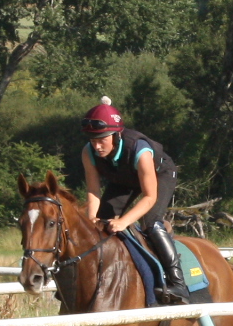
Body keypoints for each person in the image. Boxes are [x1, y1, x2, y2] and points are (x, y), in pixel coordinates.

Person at [80, 97, 188, 303]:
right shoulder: (88, 152)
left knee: (151, 222)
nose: (96, 146)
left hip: (159, 174)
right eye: (92, 140)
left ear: (116, 135)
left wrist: (123, 222)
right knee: (99, 224)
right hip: (125, 178)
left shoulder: (141, 151)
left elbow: (149, 196)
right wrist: (92, 218)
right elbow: (93, 191)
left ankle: (178, 283)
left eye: (102, 139)